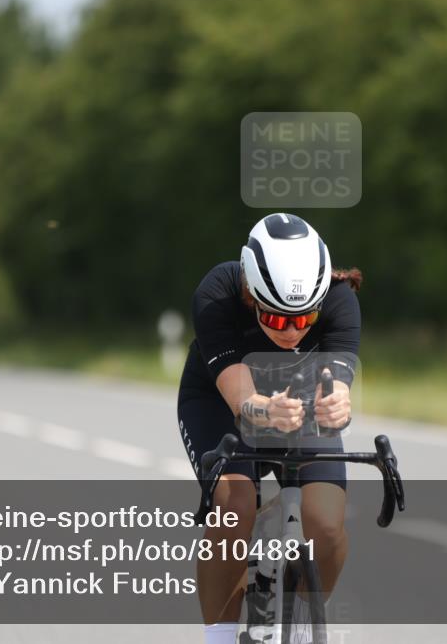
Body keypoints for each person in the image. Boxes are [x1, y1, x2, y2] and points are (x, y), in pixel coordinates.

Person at [177, 213, 362, 644]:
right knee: (235, 505)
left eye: (305, 319)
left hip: (299, 400)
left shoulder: (339, 299)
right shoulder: (217, 294)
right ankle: (220, 639)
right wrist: (265, 410)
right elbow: (241, 401)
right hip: (221, 400)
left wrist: (337, 403)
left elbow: (336, 384)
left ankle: (299, 621)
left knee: (327, 524)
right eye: (278, 320)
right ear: (251, 295)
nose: (293, 331)